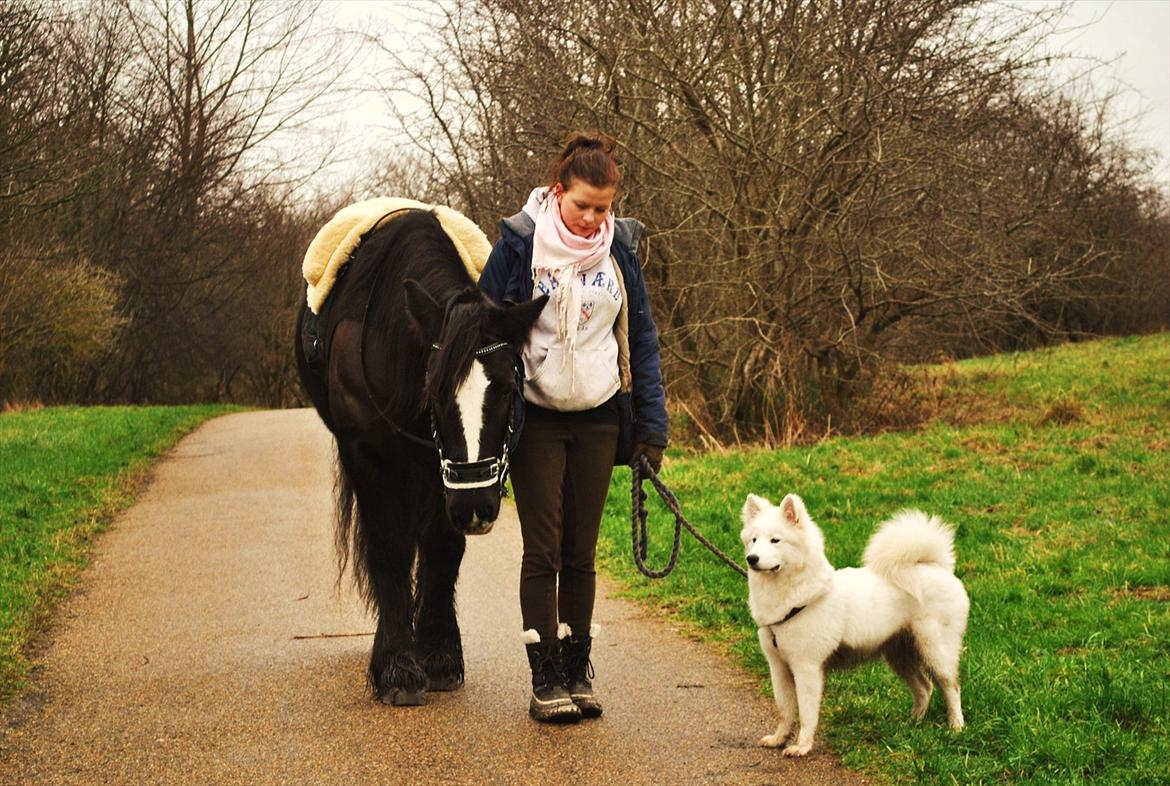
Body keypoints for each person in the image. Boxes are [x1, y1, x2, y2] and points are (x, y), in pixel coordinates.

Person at [478, 132, 669, 723]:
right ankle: (546, 678)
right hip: (535, 418)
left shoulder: (621, 251)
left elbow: (641, 341)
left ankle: (578, 667)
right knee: (543, 551)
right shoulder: (517, 248)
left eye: (603, 208)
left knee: (580, 551)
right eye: (582, 205)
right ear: (558, 193)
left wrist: (650, 427)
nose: (591, 219)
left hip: (598, 416)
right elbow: (484, 334)